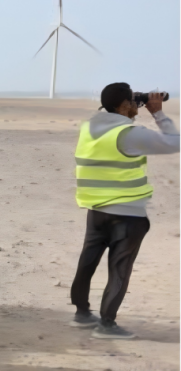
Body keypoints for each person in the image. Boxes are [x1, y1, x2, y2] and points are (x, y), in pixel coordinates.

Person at [69, 83, 179, 339]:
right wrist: (158, 113)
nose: (136, 104)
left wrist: (135, 105)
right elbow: (175, 143)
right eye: (133, 101)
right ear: (123, 105)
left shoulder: (90, 128)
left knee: (87, 262)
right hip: (127, 215)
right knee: (119, 268)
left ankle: (82, 313)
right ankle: (107, 325)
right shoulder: (130, 133)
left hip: (96, 210)